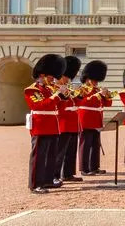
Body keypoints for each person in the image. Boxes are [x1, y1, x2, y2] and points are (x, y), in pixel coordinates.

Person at [24, 54, 65, 193]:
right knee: (39, 157)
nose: (53, 80)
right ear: (42, 75)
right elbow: (41, 105)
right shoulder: (32, 90)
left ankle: (47, 180)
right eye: (50, 77)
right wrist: (57, 96)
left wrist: (63, 96)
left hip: (53, 125)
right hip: (41, 126)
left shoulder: (49, 89)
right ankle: (35, 184)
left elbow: (57, 107)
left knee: (51, 155)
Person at [77, 60, 112, 176]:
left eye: (97, 80)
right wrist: (98, 95)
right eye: (94, 80)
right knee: (85, 144)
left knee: (95, 145)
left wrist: (107, 96)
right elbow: (83, 102)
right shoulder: (81, 89)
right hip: (86, 119)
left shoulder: (97, 90)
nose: (96, 82)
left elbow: (107, 104)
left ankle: (94, 167)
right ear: (87, 79)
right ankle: (84, 168)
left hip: (96, 120)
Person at [54, 55, 82, 184]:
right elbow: (57, 105)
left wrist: (79, 95)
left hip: (72, 124)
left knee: (71, 151)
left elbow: (75, 102)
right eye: (66, 77)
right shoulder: (54, 89)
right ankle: (55, 175)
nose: (67, 80)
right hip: (62, 123)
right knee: (59, 152)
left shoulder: (67, 89)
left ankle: (68, 173)